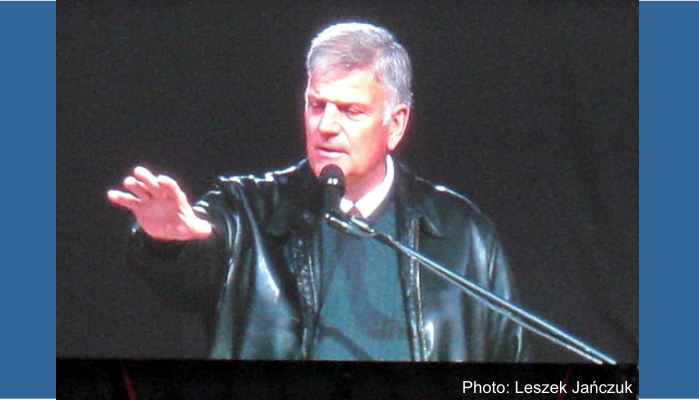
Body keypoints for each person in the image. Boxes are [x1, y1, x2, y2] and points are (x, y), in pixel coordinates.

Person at [107, 22, 526, 361]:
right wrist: (167, 244)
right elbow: (188, 276)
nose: (326, 126)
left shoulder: (460, 233)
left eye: (350, 111)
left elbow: (509, 365)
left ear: (395, 124)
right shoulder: (247, 211)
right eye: (316, 104)